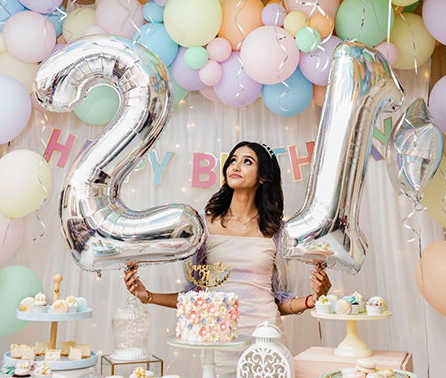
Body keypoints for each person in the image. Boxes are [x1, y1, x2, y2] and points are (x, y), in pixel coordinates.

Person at [124, 140, 331, 341]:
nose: (236, 166)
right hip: (220, 338)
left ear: (263, 177)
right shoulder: (203, 227)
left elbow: (278, 300)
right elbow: (195, 296)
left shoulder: (277, 231)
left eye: (247, 161)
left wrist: (312, 300)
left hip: (267, 337)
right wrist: (148, 295)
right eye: (233, 160)